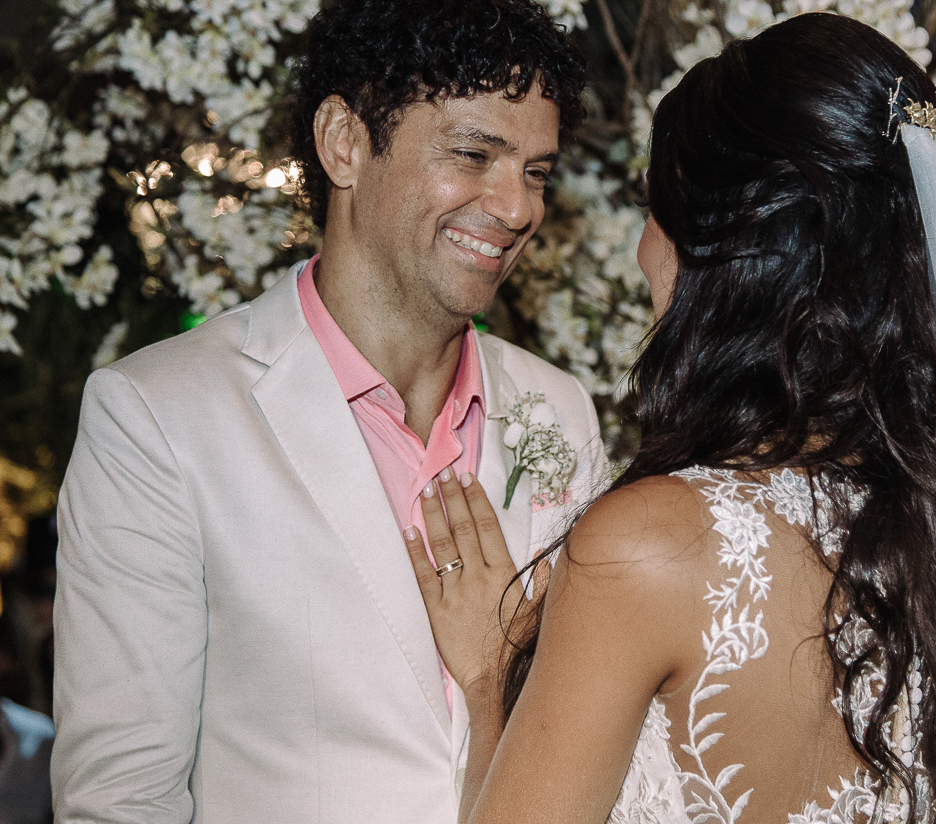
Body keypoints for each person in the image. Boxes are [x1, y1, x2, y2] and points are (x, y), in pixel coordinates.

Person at [404, 12, 936, 824]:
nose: (643, 246)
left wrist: (490, 676)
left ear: (724, 247)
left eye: (658, 204)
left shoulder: (646, 546)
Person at [50, 0, 607, 821]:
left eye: (535, 171)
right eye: (474, 154)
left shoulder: (560, 412)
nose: (517, 207)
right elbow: (120, 799)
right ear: (345, 142)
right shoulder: (158, 416)